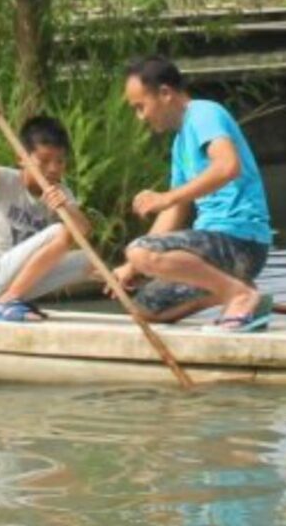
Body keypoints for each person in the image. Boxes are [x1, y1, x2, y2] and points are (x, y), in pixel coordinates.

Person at [116, 56, 276, 332]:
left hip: (240, 242)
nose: (140, 117)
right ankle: (237, 292)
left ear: (165, 93)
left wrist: (166, 197)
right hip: (215, 250)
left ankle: (239, 295)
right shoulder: (180, 143)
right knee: (144, 308)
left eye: (141, 107)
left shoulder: (204, 114)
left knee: (140, 250)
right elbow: (175, 211)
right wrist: (131, 266)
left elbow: (228, 165)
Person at [0, 91, 90, 322]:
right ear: (22, 158)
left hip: (17, 280)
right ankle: (7, 302)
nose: (53, 169)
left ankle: (12, 298)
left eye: (60, 161)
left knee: (88, 259)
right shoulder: (5, 179)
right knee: (61, 232)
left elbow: (83, 231)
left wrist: (67, 208)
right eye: (44, 161)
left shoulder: (60, 192)